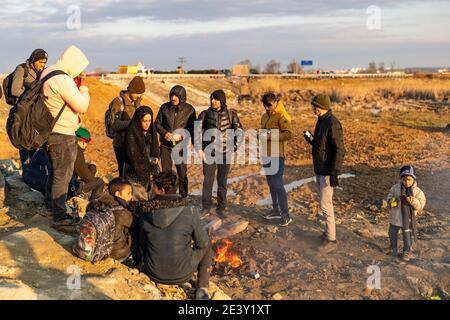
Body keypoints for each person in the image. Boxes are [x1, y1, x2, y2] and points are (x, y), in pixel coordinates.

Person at [137, 171, 212, 300]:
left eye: (153, 187)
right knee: (207, 243)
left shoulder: (146, 211)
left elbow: (143, 244)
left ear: (161, 190)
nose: (151, 189)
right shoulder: (189, 210)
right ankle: (202, 288)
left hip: (154, 272)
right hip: (183, 274)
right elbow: (202, 243)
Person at [41, 45, 90, 223]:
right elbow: (82, 106)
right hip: (62, 133)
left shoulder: (48, 72)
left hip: (49, 131)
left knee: (55, 172)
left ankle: (50, 204)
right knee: (63, 175)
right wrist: (84, 89)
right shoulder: (62, 79)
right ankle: (60, 216)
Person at [304, 94, 345, 250]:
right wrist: (311, 140)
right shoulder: (321, 121)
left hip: (328, 171)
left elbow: (339, 150)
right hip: (320, 169)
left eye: (315, 107)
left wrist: (334, 173)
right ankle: (327, 233)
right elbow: (321, 145)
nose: (313, 109)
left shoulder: (332, 124)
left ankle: (332, 240)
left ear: (322, 107)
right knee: (324, 204)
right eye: (313, 107)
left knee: (326, 205)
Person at [197, 90, 243, 218]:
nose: (212, 101)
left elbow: (239, 131)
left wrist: (233, 147)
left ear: (221, 101)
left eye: (215, 99)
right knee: (208, 182)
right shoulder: (204, 114)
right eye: (211, 99)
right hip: (208, 154)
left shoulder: (231, 114)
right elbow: (197, 132)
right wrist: (199, 150)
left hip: (224, 154)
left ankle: (221, 208)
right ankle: (206, 208)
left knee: (222, 182)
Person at [8, 49, 48, 167]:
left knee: (36, 141)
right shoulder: (22, 69)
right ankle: (26, 171)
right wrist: (32, 95)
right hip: (22, 112)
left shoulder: (41, 72)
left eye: (44, 62)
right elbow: (15, 90)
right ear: (33, 60)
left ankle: (35, 172)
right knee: (24, 140)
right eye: (40, 62)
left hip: (35, 113)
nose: (43, 65)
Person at [155, 85, 196, 198]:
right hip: (165, 145)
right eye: (171, 95)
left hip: (180, 146)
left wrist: (182, 135)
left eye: (175, 96)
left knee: (182, 173)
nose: (172, 98)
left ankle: (183, 197)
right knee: (166, 175)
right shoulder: (164, 108)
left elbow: (192, 128)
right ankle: (168, 198)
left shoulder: (190, 110)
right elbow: (157, 124)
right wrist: (164, 133)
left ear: (182, 97)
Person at [260, 93, 293, 227]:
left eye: (269, 105)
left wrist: (270, 136)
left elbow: (289, 134)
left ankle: (286, 215)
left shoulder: (282, 115)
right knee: (271, 183)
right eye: (264, 105)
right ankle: (275, 210)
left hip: (277, 154)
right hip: (266, 154)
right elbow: (263, 133)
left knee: (277, 184)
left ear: (275, 102)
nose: (267, 108)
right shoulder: (264, 116)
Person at [85, 177, 134, 261]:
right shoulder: (123, 212)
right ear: (118, 194)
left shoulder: (96, 203)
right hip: (116, 253)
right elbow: (135, 225)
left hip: (95, 247)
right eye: (128, 193)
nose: (131, 196)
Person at [108, 76, 146, 177]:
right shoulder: (118, 102)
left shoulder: (137, 103)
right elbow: (114, 125)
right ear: (130, 90)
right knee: (124, 173)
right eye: (137, 93)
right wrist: (132, 123)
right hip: (121, 145)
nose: (139, 96)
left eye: (141, 94)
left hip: (134, 144)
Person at [387, 165, 426, 262]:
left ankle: (406, 251)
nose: (407, 182)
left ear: (413, 179)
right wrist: (391, 200)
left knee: (407, 235)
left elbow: (421, 205)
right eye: (404, 179)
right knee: (392, 233)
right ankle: (393, 248)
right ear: (401, 179)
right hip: (395, 217)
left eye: (409, 179)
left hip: (407, 219)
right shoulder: (396, 188)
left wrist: (412, 200)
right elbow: (390, 195)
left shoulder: (417, 191)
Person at [124, 106, 160, 201]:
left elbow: (156, 148)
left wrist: (156, 158)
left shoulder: (151, 131)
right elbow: (133, 155)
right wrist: (148, 160)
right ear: (138, 120)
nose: (147, 124)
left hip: (151, 170)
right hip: (134, 172)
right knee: (138, 200)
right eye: (144, 121)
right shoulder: (131, 132)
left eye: (149, 120)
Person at [72, 127, 105, 201]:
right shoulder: (77, 152)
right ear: (83, 142)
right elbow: (89, 179)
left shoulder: (67, 146)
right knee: (100, 182)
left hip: (55, 184)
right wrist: (93, 166)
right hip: (65, 189)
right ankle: (93, 207)